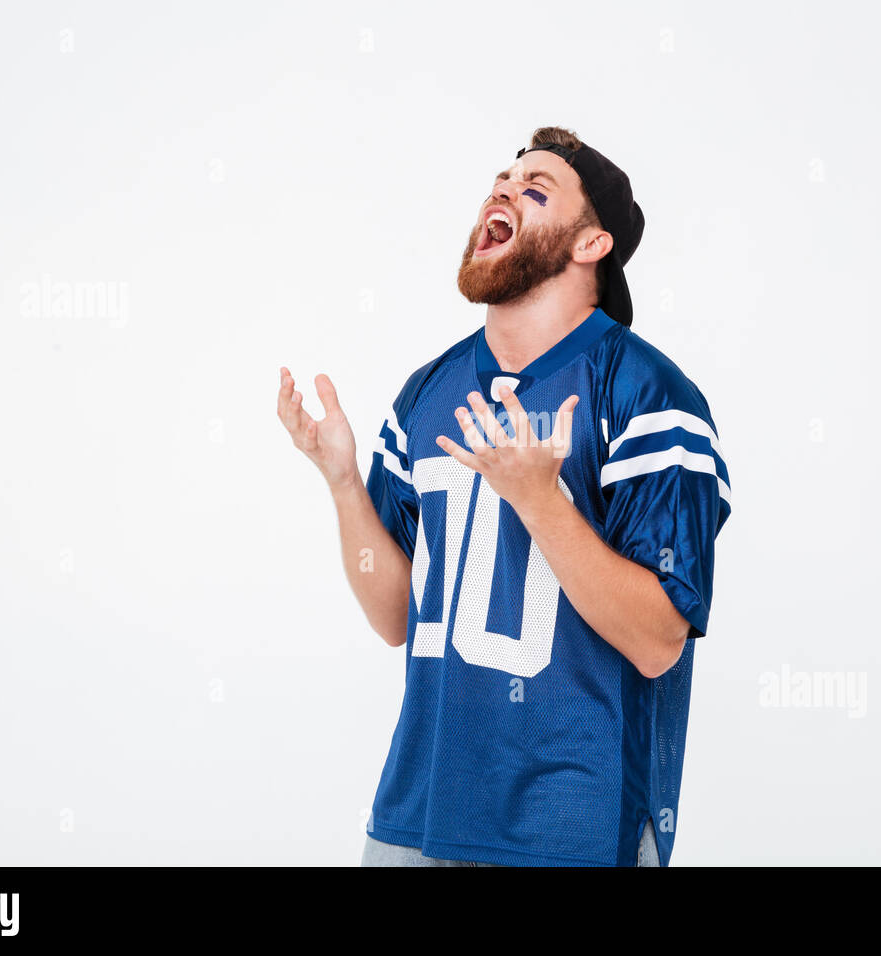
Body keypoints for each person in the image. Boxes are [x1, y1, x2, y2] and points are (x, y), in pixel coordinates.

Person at [277, 126, 730, 866]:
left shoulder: (647, 394)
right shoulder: (427, 393)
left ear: (591, 245)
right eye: (500, 181)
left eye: (535, 189)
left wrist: (540, 501)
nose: (501, 192)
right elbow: (395, 616)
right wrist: (342, 483)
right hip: (414, 819)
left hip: (572, 833)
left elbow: (656, 643)